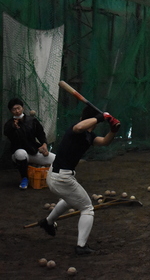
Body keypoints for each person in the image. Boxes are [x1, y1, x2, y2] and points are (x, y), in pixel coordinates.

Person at [37, 106, 120, 255]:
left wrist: (113, 130)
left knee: (70, 199)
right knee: (87, 208)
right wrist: (102, 117)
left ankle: (48, 223)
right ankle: (81, 247)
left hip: (56, 176)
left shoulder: (89, 135)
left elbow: (104, 142)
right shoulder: (76, 130)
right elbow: (80, 126)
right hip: (61, 178)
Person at [3, 98, 56, 189]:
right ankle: (24, 178)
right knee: (20, 153)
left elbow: (40, 134)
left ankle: (54, 180)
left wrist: (44, 144)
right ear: (11, 111)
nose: (17, 111)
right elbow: (7, 132)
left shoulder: (32, 120)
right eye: (14, 109)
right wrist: (14, 127)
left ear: (22, 108)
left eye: (18, 108)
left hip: (33, 151)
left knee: (55, 159)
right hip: (18, 154)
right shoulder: (9, 124)